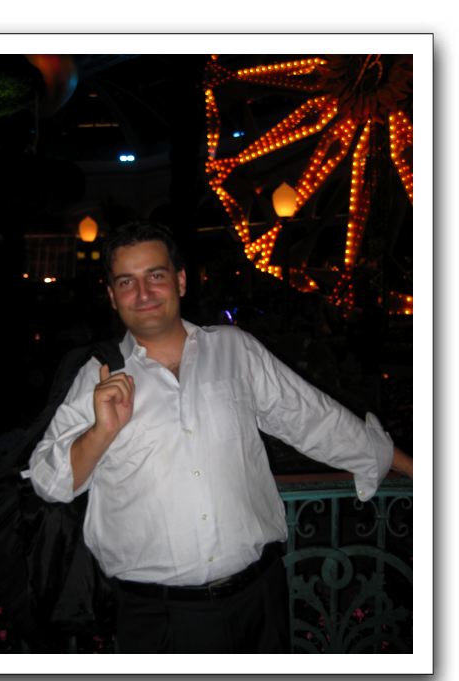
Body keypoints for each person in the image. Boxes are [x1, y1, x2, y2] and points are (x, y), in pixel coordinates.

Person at [28, 221, 413, 653]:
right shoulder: (97, 375)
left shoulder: (235, 349)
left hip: (259, 600)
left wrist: (411, 467)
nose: (143, 292)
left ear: (180, 280)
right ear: (113, 296)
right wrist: (101, 432)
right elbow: (49, 482)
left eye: (155, 275)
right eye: (126, 282)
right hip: (158, 618)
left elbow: (311, 418)